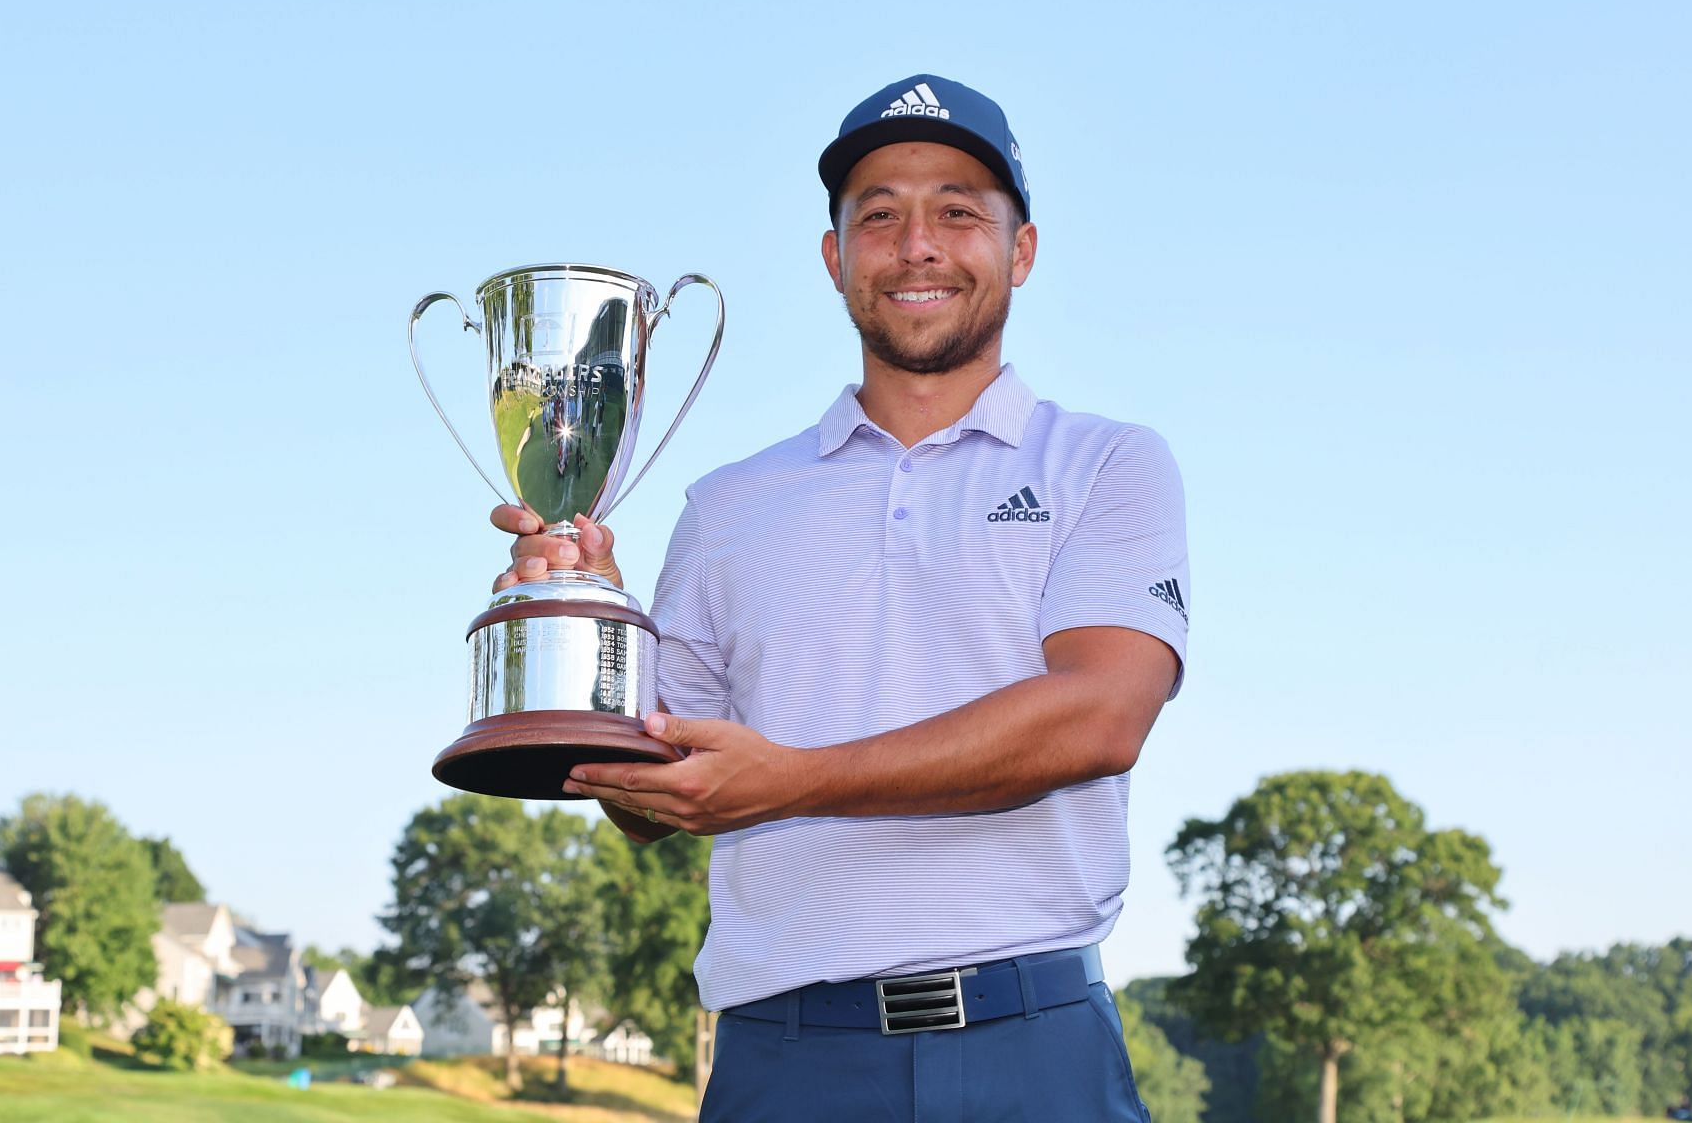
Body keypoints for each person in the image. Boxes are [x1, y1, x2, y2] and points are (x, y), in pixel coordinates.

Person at [488, 74, 1189, 1122]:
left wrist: (794, 780)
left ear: (1022, 250)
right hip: (787, 1061)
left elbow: (1099, 715)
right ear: (835, 259)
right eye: (879, 216)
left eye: (958, 210)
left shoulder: (1107, 462)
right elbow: (652, 793)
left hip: (1033, 1050)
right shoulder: (728, 506)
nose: (918, 244)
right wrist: (587, 622)